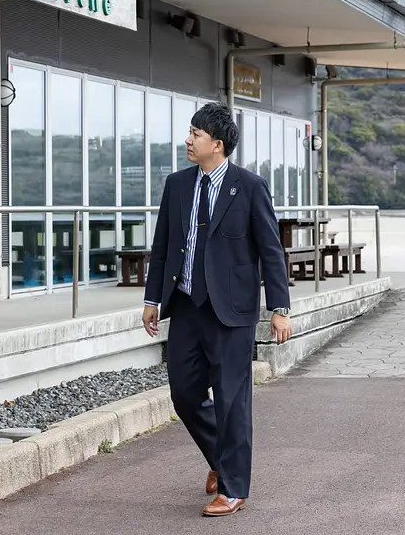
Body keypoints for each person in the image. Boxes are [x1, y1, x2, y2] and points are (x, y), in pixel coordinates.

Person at [142, 102, 292, 517]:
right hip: (187, 306)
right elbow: (163, 248)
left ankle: (233, 487)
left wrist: (278, 307)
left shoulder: (249, 186)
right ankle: (217, 457)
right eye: (189, 132)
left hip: (232, 312)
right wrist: (152, 299)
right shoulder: (176, 185)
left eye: (196, 134)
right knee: (185, 394)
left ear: (218, 144)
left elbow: (270, 251)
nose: (188, 140)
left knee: (232, 400)